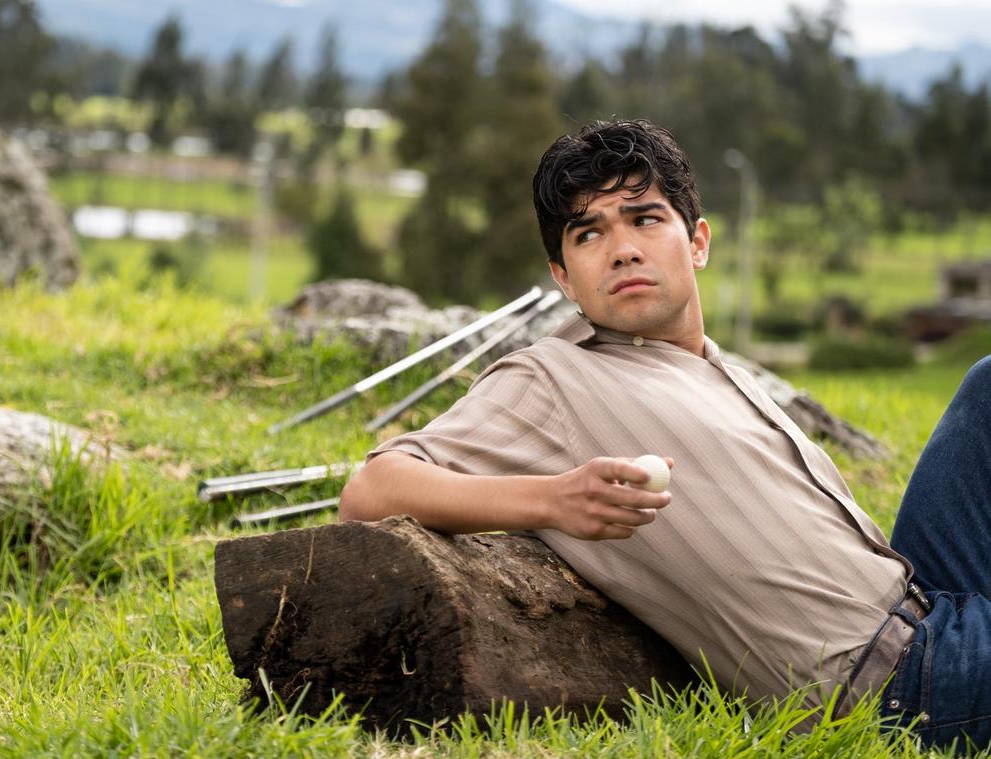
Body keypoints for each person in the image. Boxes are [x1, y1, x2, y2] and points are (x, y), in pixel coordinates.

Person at [338, 118, 991, 750]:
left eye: (645, 219)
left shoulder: (718, 369)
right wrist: (551, 500)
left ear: (698, 242)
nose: (622, 248)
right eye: (588, 234)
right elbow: (370, 490)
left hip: (930, 599)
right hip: (899, 686)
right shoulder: (549, 378)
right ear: (563, 277)